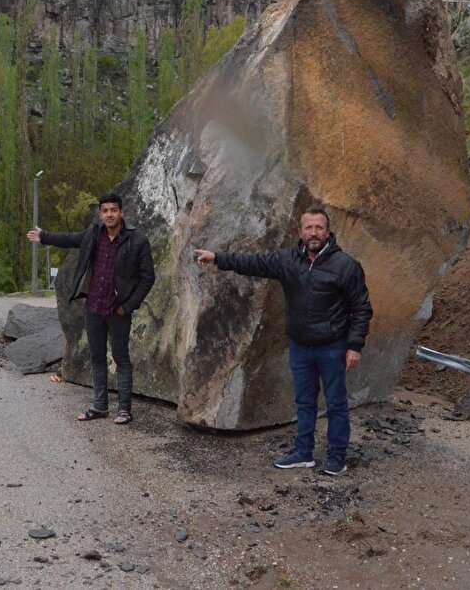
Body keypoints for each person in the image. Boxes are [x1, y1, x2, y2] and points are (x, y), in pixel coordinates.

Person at [193, 207, 372, 476]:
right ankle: (304, 453)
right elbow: (253, 263)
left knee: (336, 404)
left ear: (328, 231)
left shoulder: (345, 265)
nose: (314, 233)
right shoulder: (288, 260)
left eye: (319, 228)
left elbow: (361, 307)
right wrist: (217, 257)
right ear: (300, 232)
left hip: (332, 347)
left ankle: (337, 457)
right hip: (300, 347)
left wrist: (354, 345)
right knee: (304, 402)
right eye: (309, 228)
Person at [28, 193, 155, 425]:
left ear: (121, 212)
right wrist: (44, 236)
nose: (109, 214)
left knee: (121, 358)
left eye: (113, 210)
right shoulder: (94, 234)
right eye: (105, 210)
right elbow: (72, 239)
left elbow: (148, 278)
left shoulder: (137, 239)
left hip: (117, 311)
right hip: (94, 306)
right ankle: (100, 407)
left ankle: (124, 410)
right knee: (97, 358)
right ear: (100, 213)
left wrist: (127, 306)